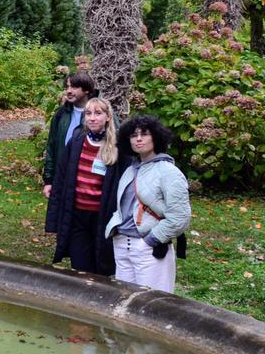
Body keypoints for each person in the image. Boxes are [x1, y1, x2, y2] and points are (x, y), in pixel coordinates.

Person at [104, 115, 191, 292]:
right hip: (122, 244)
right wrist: (116, 230)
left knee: (153, 305)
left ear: (156, 137)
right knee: (124, 301)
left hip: (147, 247)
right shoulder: (130, 170)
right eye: (133, 135)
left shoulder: (169, 172)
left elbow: (180, 217)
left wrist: (152, 239)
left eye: (144, 134)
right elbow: (124, 208)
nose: (138, 139)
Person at [46, 97, 125, 275]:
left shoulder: (117, 147)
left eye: (98, 113)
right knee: (80, 266)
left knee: (101, 267)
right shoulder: (77, 141)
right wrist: (53, 218)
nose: (92, 118)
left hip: (102, 217)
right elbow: (61, 178)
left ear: (108, 117)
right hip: (77, 216)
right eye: (88, 113)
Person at [42, 72, 96, 199]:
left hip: (89, 179)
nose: (69, 91)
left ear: (87, 89)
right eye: (67, 87)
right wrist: (49, 180)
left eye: (74, 87)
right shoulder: (61, 114)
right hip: (63, 175)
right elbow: (52, 147)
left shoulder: (99, 114)